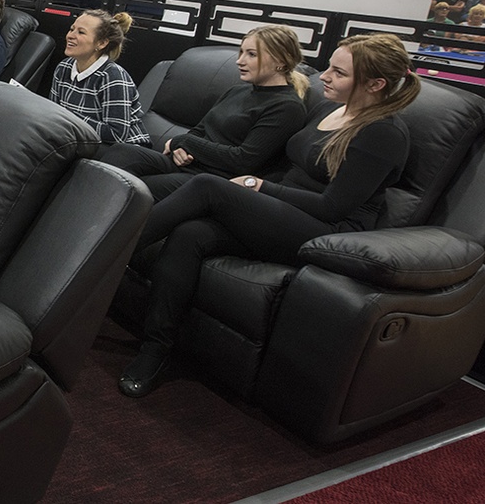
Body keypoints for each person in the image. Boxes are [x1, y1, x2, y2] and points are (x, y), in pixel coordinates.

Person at [117, 33, 420, 398]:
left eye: (338, 73)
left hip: (325, 230)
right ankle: (156, 350)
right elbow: (288, 163)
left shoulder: (383, 132)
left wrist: (258, 186)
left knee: (208, 187)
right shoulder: (331, 107)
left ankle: (104, 258)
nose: (322, 75)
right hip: (284, 213)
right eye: (329, 67)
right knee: (191, 233)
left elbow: (332, 207)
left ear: (375, 84)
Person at [99, 25, 309, 201]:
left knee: (138, 187)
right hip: (187, 164)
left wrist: (184, 143)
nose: (240, 61)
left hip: (211, 178)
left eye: (251, 55)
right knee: (123, 152)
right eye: (241, 52)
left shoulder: (286, 107)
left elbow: (243, 160)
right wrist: (180, 148)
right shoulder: (238, 90)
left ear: (281, 61)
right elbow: (199, 131)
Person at [49, 8, 151, 145]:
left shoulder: (112, 76)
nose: (70, 36)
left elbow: (116, 135)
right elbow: (53, 113)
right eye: (71, 29)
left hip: (124, 149)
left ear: (101, 43)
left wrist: (67, 117)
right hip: (80, 141)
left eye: (81, 32)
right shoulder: (64, 67)